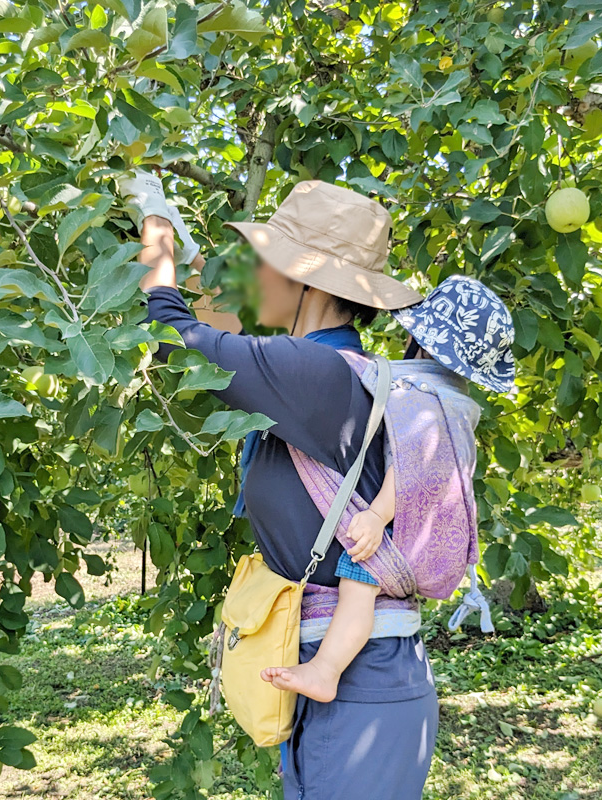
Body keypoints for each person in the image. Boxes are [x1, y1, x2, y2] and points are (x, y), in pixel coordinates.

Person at [123, 172, 438, 800]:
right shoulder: (320, 369)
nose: (254, 275)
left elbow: (181, 342)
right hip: (340, 671)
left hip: (359, 679)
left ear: (305, 280)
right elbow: (226, 340)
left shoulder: (315, 374)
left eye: (266, 261)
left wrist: (157, 244)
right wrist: (186, 268)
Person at [261, 276, 516, 703]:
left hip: (397, 530)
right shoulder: (448, 398)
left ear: (425, 343)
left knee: (357, 593)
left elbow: (415, 466)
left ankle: (326, 670)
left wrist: (377, 516)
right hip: (415, 527)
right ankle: (325, 669)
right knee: (358, 592)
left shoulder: (427, 401)